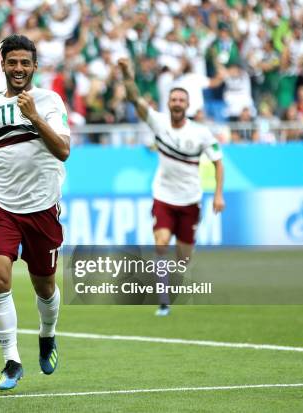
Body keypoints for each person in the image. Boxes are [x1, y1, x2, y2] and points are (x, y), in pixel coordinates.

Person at [0, 34, 70, 391]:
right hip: (0, 205)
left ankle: (47, 335)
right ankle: (11, 360)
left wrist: (33, 116)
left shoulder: (49, 101)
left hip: (41, 208)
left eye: (25, 62)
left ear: (34, 66)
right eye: (12, 62)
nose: (18, 68)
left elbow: (63, 150)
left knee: (45, 287)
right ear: (2, 65)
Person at [118, 57, 225, 316]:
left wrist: (218, 195)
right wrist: (127, 75)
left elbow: (219, 163)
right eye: (174, 100)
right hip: (163, 197)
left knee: (184, 256)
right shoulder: (159, 122)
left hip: (190, 200)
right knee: (161, 243)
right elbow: (135, 100)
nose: (177, 104)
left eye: (181, 100)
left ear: (187, 105)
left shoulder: (201, 133)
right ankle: (164, 300)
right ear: (169, 103)